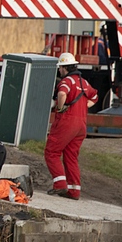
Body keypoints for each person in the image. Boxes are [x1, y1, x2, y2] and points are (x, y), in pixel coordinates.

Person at [45, 52, 98, 200]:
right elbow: (94, 97)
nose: (59, 71)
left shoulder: (66, 81)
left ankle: (60, 184)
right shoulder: (84, 82)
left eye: (60, 68)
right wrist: (84, 106)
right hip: (81, 124)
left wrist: (60, 108)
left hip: (67, 122)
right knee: (71, 156)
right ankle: (74, 191)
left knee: (52, 152)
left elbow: (62, 94)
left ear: (64, 68)